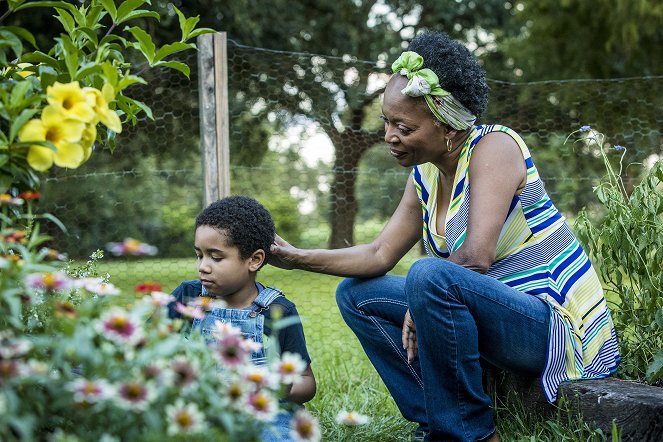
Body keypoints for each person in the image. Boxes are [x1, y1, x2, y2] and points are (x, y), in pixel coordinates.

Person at [270, 31, 620, 442]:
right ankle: (433, 420)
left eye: (404, 126)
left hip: (554, 327)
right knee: (356, 294)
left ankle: (469, 434)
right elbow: (380, 253)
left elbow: (475, 257)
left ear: (447, 126)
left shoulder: (495, 147)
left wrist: (419, 304)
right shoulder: (426, 174)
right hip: (494, 313)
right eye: (387, 122)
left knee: (427, 275)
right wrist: (294, 256)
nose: (389, 137)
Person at [168, 195, 316, 441]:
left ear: (254, 260)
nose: (203, 266)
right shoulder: (189, 295)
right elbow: (147, 343)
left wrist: (275, 387)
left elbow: (306, 382)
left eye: (216, 257)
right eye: (199, 255)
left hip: (262, 410)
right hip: (200, 406)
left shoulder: (277, 310)